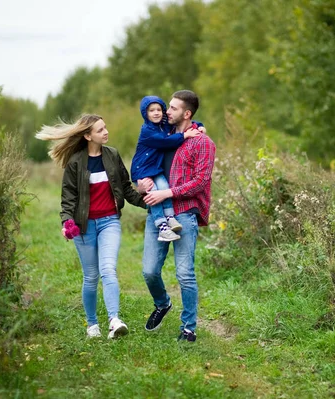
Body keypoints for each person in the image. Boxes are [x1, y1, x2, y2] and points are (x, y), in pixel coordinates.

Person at [35, 114, 146, 339]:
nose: (106, 132)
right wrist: (67, 222)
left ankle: (114, 321)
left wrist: (148, 202)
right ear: (88, 136)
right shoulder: (75, 162)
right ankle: (92, 325)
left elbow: (125, 187)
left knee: (108, 270)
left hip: (110, 221)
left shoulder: (112, 155)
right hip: (84, 226)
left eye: (105, 127)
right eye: (100, 130)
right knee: (91, 276)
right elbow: (68, 198)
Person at [137, 90, 216, 342]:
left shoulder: (203, 143)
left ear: (187, 113)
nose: (166, 111)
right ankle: (162, 303)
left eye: (172, 108)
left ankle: (188, 327)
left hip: (184, 214)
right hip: (156, 215)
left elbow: (201, 182)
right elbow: (143, 163)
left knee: (184, 273)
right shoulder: (160, 135)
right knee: (149, 271)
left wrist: (167, 193)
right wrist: (141, 186)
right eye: (167, 107)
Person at [131, 95, 203, 242]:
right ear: (145, 113)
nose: (156, 113)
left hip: (154, 168)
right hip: (142, 169)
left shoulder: (163, 124)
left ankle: (170, 217)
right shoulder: (147, 130)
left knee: (164, 186)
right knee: (154, 192)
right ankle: (162, 226)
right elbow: (164, 141)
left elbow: (184, 120)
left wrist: (199, 125)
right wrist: (184, 136)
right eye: (152, 110)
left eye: (159, 109)